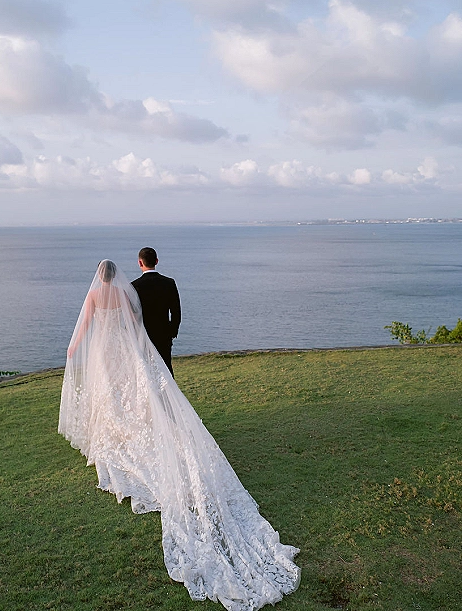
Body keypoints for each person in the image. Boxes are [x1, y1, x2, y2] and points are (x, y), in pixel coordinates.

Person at [58, 260, 300, 611]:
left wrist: (72, 348)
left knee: (109, 392)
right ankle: (125, 427)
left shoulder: (94, 294)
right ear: (118, 275)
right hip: (123, 346)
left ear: (99, 276)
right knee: (126, 390)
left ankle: (111, 433)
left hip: (103, 349)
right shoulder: (126, 293)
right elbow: (135, 324)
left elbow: (84, 326)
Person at [131, 247, 181, 376]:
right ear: (157, 261)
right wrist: (172, 332)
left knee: (145, 371)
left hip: (143, 335)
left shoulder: (134, 286)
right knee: (166, 369)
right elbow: (176, 312)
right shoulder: (169, 283)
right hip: (164, 334)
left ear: (140, 263)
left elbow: (133, 314)